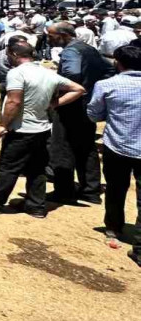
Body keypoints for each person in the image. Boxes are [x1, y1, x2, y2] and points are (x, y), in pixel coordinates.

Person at [0, 43, 85, 218]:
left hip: (21, 130)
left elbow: (14, 101)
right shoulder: (48, 73)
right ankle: (36, 206)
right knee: (37, 168)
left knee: (8, 166)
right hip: (42, 129)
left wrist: (3, 125)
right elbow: (79, 89)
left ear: (13, 54)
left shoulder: (17, 73)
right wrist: (53, 104)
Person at [48, 22, 113, 205]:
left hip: (70, 106)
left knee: (61, 147)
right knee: (87, 147)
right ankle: (90, 190)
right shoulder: (88, 48)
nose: (48, 38)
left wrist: (58, 87)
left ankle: (64, 191)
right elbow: (109, 69)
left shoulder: (70, 51)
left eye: (51, 35)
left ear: (62, 35)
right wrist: (93, 90)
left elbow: (72, 75)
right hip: (87, 106)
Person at [86, 46, 141, 255]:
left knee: (116, 189)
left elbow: (94, 114)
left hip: (117, 145)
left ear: (118, 63)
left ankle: (113, 227)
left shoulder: (106, 85)